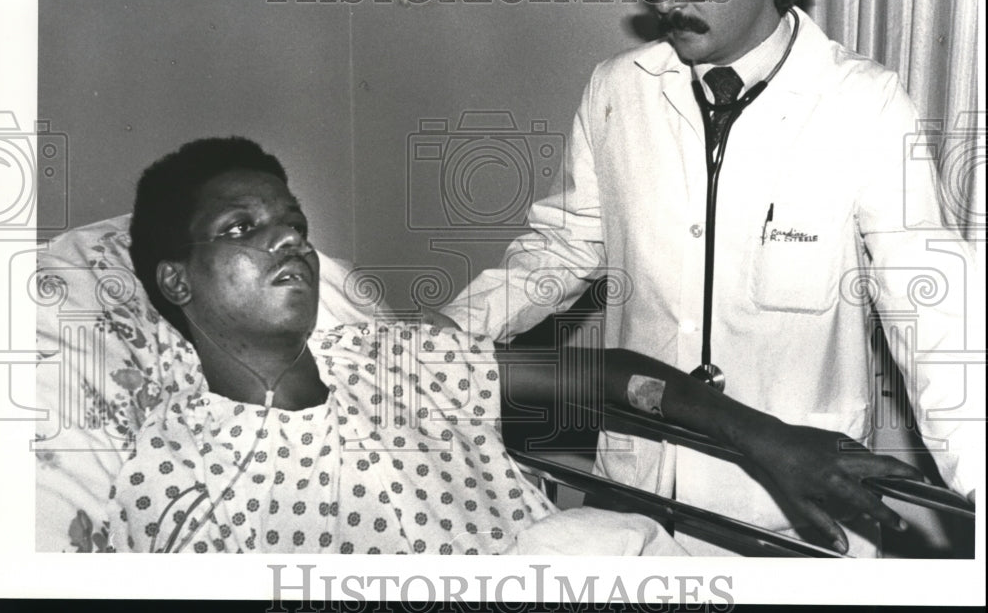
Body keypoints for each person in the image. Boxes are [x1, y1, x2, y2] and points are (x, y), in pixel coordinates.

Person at [437, 0, 980, 556]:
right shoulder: (619, 89)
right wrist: (443, 339)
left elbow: (929, 307)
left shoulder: (864, 104)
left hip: (790, 513)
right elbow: (565, 245)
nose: (665, 0)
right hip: (635, 492)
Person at [110, 137, 919, 555]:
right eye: (243, 230)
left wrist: (765, 437)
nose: (289, 242)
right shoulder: (173, 471)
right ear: (177, 281)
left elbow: (607, 379)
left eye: (294, 225)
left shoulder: (395, 361)